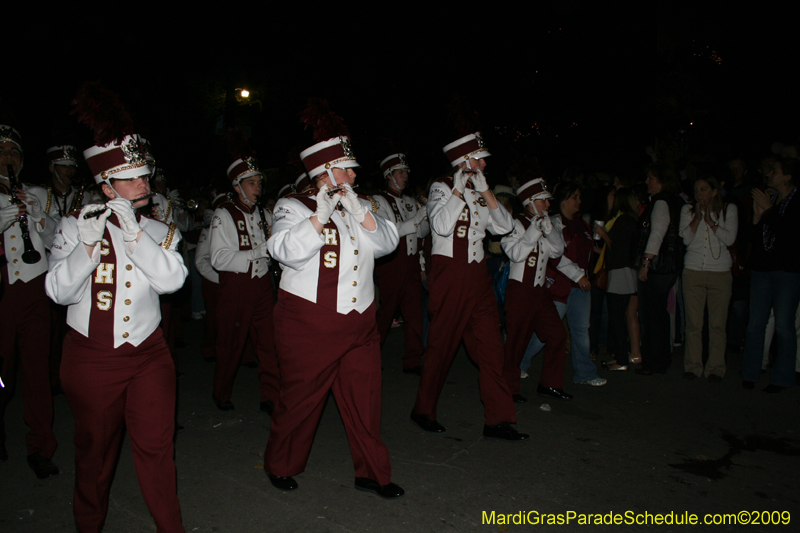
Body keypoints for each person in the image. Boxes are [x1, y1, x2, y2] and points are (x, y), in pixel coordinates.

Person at [46, 133, 187, 532]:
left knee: (158, 449)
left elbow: (173, 282)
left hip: (148, 353)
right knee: (94, 452)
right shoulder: (75, 226)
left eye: (145, 175)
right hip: (92, 356)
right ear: (106, 187)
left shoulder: (159, 229)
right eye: (131, 178)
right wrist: (86, 248)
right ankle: (88, 524)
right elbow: (58, 292)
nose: (144, 184)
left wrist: (136, 237)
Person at [264, 133, 404, 498]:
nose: (355, 176)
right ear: (326, 172)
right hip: (310, 322)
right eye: (347, 170)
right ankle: (281, 463)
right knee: (300, 401)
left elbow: (388, 243)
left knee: (365, 399)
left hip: (360, 322)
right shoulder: (292, 205)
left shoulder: (358, 204)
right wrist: (319, 217)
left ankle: (372, 473)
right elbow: (282, 251)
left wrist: (359, 210)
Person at [411, 132, 528, 440]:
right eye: (479, 157)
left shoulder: (479, 190)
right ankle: (423, 409)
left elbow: (503, 227)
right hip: (450, 275)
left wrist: (485, 191)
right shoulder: (442, 186)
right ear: (464, 161)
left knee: (491, 346)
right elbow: (440, 226)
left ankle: (498, 419)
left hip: (477, 277)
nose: (485, 162)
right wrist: (459, 191)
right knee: (442, 345)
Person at [0, 125, 59, 476]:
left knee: (37, 371)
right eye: (3, 151)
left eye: (14, 153)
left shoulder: (36, 192)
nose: (9, 157)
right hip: (3, 292)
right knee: (2, 371)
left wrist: (38, 216)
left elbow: (56, 238)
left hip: (36, 291)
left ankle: (41, 445)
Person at [209, 156, 280, 413]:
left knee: (268, 342)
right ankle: (221, 392)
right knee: (231, 343)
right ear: (237, 187)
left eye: (259, 182)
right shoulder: (224, 213)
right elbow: (217, 258)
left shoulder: (265, 212)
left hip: (262, 284)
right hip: (236, 286)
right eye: (251, 183)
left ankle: (270, 395)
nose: (257, 188)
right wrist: (257, 251)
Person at [502, 177, 570, 401]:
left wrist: (549, 231)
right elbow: (516, 254)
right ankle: (507, 389)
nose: (548, 205)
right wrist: (534, 230)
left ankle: (550, 384)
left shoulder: (543, 221)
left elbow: (557, 252)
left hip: (539, 292)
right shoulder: (514, 223)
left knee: (557, 335)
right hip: (520, 290)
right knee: (516, 341)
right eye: (543, 201)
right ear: (530, 202)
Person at [742, 157, 800, 392]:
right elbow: (754, 237)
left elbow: (790, 237)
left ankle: (782, 378)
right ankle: (750, 373)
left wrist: (768, 212)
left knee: (785, 325)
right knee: (755, 323)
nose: (769, 175)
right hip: (762, 269)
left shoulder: (797, 201)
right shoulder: (771, 198)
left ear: (787, 176)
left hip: (787, 271)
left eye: (774, 171)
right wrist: (757, 218)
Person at [371, 153, 429, 374]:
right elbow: (389, 231)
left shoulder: (410, 201)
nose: (405, 176)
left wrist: (426, 217)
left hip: (412, 263)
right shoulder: (378, 201)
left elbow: (421, 233)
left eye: (406, 172)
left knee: (414, 312)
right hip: (392, 264)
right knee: (385, 313)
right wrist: (416, 219)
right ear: (389, 175)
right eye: (400, 172)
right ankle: (370, 357)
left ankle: (413, 360)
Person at [679, 177, 737, 381]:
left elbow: (730, 238)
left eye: (704, 189)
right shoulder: (687, 211)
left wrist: (711, 223)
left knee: (717, 325)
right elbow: (685, 238)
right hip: (693, 272)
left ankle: (715, 368)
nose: (699, 194)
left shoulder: (728, 210)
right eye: (696, 190)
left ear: (714, 191)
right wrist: (697, 218)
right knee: (694, 324)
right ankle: (693, 366)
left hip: (720, 274)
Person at [631, 162, 686, 375]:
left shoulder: (662, 202)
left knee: (650, 316)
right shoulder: (678, 200)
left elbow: (657, 233)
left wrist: (646, 262)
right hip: (669, 266)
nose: (647, 182)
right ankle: (661, 360)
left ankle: (653, 362)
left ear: (661, 180)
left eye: (651, 178)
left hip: (659, 266)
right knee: (660, 315)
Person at [594, 188, 641, 371]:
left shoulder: (624, 220)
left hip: (621, 273)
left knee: (616, 318)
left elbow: (618, 247)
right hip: (627, 272)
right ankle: (623, 357)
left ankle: (622, 361)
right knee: (622, 316)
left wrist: (602, 233)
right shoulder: (632, 220)